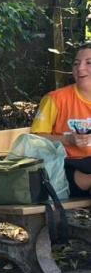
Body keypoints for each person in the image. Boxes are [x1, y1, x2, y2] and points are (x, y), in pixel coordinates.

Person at [30, 44, 91, 196]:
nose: (80, 68)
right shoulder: (56, 99)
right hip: (64, 167)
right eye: (76, 63)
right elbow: (33, 140)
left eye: (89, 62)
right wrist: (68, 139)